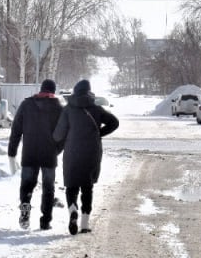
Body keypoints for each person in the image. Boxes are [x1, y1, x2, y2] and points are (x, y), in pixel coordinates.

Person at [52, 78, 119, 235]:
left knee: (71, 186)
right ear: (89, 92)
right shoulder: (96, 109)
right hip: (91, 153)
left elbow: (57, 135)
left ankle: (72, 209)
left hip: (72, 152)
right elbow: (114, 123)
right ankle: (84, 223)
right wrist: (98, 134)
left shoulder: (68, 109)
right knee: (87, 187)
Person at [7, 78, 64, 230]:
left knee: (26, 185)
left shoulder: (26, 104)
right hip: (49, 155)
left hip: (29, 153)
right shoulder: (59, 108)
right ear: (53, 91)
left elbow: (16, 130)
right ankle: (45, 222)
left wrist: (12, 152)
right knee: (48, 188)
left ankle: (25, 209)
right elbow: (64, 134)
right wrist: (56, 151)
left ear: (41, 89)